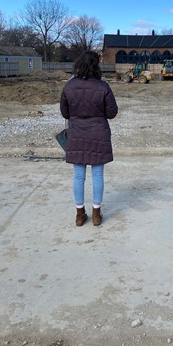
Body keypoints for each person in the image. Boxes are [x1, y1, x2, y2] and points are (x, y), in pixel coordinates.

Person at [60, 51, 118, 227]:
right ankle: (96, 215)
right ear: (96, 65)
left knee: (78, 176)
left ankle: (79, 214)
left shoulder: (69, 87)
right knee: (97, 174)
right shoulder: (103, 87)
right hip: (98, 133)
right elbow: (112, 113)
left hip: (77, 134)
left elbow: (65, 112)